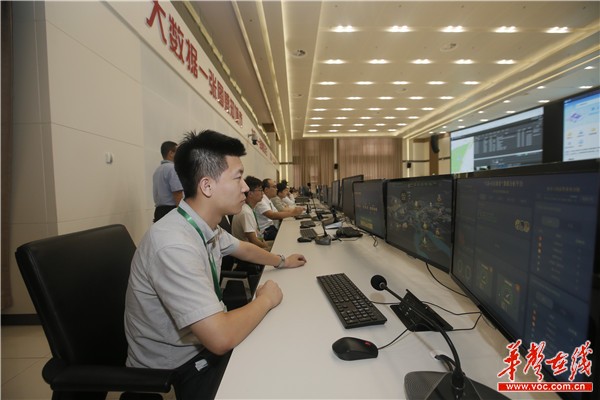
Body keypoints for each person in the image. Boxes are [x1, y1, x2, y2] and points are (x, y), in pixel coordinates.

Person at [125, 130, 307, 400]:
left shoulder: (201, 225)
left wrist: (282, 261)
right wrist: (266, 299)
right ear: (207, 186)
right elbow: (220, 338)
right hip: (177, 365)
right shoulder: (174, 244)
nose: (245, 187)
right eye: (238, 178)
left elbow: (244, 248)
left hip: (198, 345)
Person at [231, 176, 271, 250]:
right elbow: (253, 240)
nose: (263, 193)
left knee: (277, 243)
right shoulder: (246, 212)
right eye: (260, 190)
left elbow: (257, 236)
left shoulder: (249, 208)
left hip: (253, 246)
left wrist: (265, 245)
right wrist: (267, 248)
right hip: (247, 251)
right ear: (250, 194)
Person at [152, 141, 183, 222]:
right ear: (171, 153)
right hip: (170, 211)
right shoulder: (172, 169)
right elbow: (177, 193)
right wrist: (182, 214)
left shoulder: (157, 170)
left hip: (159, 211)